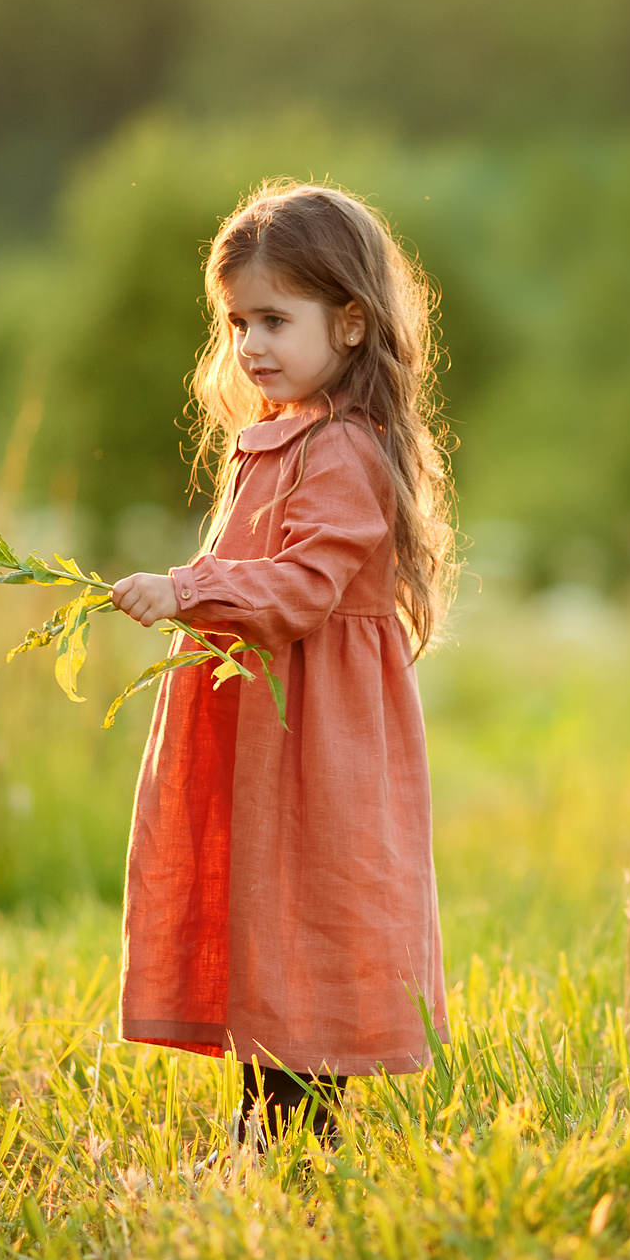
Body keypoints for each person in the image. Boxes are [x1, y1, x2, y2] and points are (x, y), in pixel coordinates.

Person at [108, 180, 457, 1144]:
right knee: (258, 909)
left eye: (274, 318)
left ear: (350, 323)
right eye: (236, 321)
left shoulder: (345, 449)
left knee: (306, 907)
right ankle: (266, 1122)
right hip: (258, 717)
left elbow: (302, 588)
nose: (250, 344)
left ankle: (299, 1131)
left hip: (317, 732)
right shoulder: (272, 438)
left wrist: (187, 588)